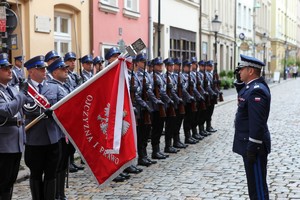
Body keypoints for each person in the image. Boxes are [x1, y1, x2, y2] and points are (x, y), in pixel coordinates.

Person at [24, 55, 65, 200]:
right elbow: (24, 109)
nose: (44, 71)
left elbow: (65, 105)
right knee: (35, 174)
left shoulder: (54, 87)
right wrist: (41, 112)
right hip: (34, 140)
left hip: (53, 139)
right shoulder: (22, 89)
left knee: (51, 174)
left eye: (44, 68)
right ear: (31, 71)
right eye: (40, 69)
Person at [233, 54, 271, 199]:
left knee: (258, 189)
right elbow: (243, 95)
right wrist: (239, 82)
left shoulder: (257, 91)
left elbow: (257, 123)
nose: (239, 72)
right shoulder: (252, 87)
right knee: (253, 186)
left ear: (250, 71)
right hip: (250, 145)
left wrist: (252, 148)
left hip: (255, 147)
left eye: (241, 69)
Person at [0, 53, 28, 200]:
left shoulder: (11, 89)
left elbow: (22, 109)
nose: (9, 70)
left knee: (10, 181)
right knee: (3, 182)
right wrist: (22, 94)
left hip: (16, 141)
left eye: (10, 67)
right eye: (4, 68)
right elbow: (8, 110)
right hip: (3, 145)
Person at [47, 57, 72, 200]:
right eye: (63, 69)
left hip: (65, 131)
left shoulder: (65, 85)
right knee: (58, 163)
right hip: (58, 131)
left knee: (63, 163)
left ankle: (61, 193)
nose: (66, 71)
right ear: (55, 72)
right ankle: (56, 194)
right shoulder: (51, 86)